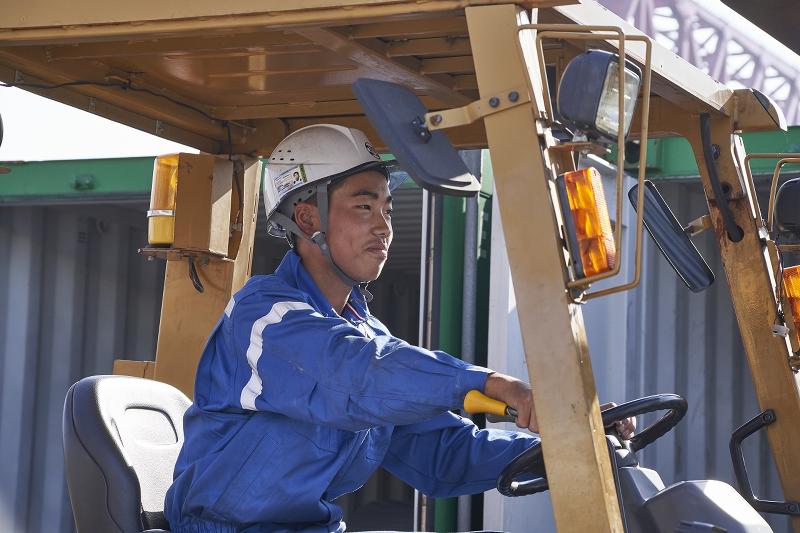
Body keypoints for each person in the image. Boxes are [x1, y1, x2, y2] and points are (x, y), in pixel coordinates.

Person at [164, 124, 634, 533]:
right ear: (308, 218)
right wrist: (493, 383)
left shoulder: (365, 334)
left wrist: (568, 445)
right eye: (364, 208)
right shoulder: (264, 318)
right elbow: (356, 376)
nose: (385, 227)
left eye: (387, 210)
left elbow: (443, 454)